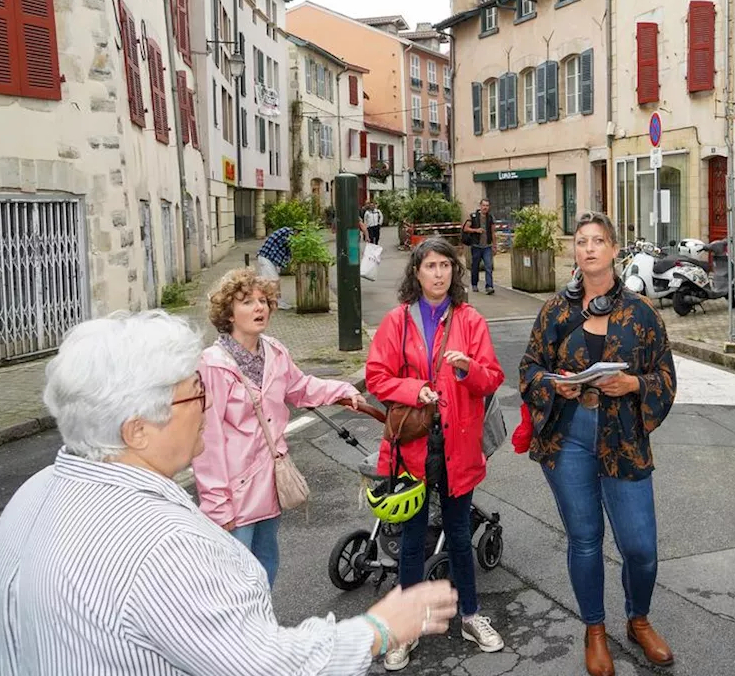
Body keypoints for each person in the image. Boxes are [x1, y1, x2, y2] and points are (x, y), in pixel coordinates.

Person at [0, 310, 459, 676]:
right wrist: (377, 629)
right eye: (196, 395)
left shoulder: (33, 494)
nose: (207, 407)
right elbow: (264, 665)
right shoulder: (166, 548)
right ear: (138, 430)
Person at [519, 212, 677, 676]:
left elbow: (665, 376)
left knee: (640, 547)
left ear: (613, 250)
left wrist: (632, 386)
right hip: (569, 438)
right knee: (585, 540)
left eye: (598, 241)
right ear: (575, 251)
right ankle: (594, 629)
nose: (588, 248)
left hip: (623, 440)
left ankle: (639, 618)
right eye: (581, 241)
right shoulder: (555, 311)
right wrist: (555, 386)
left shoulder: (641, 312)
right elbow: (529, 370)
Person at [366, 237, 506, 671]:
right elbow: (376, 377)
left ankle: (470, 615)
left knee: (460, 535)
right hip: (412, 447)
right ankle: (404, 629)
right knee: (410, 540)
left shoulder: (470, 320)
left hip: (457, 445)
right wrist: (414, 389)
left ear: (454, 272)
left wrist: (467, 369)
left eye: (446, 265)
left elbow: (492, 378)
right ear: (417, 272)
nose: (439, 273)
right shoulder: (397, 321)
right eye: (430, 265)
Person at [193, 268, 365, 586]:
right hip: (234, 489)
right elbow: (208, 438)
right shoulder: (213, 365)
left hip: (270, 481)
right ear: (228, 313)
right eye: (247, 302)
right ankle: (236, 635)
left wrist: (342, 390)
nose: (260, 308)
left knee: (266, 564)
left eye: (264, 301)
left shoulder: (274, 351)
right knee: (233, 576)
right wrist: (216, 501)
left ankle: (261, 629)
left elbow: (300, 387)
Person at [257, 224, 297, 309]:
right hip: (266, 258)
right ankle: (276, 302)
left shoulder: (286, 232)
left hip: (268, 259)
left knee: (268, 281)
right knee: (274, 281)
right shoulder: (287, 232)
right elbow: (290, 246)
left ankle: (271, 301)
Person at [463, 198, 496, 295]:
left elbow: (493, 232)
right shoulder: (473, 217)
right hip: (476, 246)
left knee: (488, 266)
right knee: (475, 266)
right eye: (484, 205)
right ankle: (474, 284)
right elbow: (465, 228)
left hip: (487, 246)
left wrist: (494, 245)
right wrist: (476, 230)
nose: (485, 207)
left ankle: (489, 286)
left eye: (487, 206)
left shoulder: (490, 218)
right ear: (480, 206)